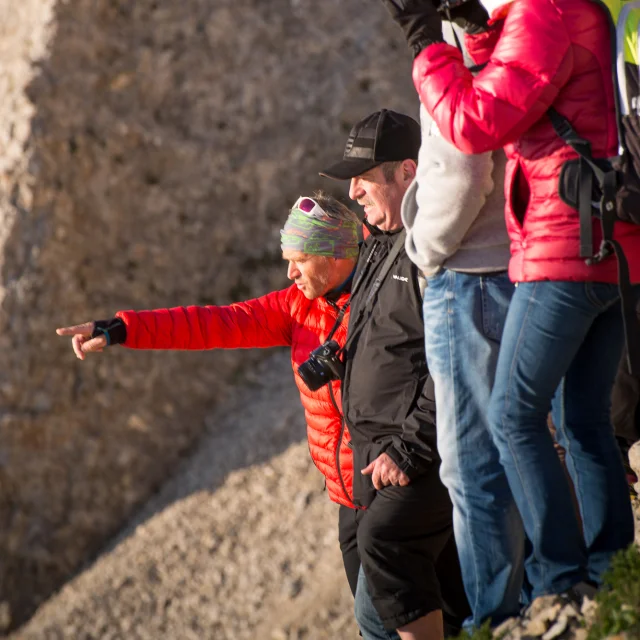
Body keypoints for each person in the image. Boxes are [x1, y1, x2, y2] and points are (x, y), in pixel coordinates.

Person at [380, 0, 640, 608]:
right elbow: (520, 79)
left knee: (511, 418)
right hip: (609, 247)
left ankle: (557, 578)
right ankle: (609, 572)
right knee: (583, 421)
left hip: (561, 249)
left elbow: (474, 124)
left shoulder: (541, 10)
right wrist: (476, 33)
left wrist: (424, 44)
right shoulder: (573, 11)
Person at [56, 193, 393, 637]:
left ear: (334, 255)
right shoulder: (296, 306)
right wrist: (121, 329)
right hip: (345, 495)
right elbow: (212, 323)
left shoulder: (383, 300)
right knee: (375, 618)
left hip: (386, 483)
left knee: (382, 619)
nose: (289, 273)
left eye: (299, 260)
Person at [320, 108, 470, 640]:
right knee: (438, 601)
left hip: (409, 457)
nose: (354, 191)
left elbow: (451, 360)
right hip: (371, 463)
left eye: (364, 177)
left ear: (408, 172)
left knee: (382, 598)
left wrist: (410, 447)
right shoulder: (380, 242)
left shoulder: (431, 248)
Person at [398, 16, 524, 626]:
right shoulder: (509, 21)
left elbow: (462, 167)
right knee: (526, 440)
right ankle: (543, 593)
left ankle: (497, 619)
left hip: (468, 274)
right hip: (517, 263)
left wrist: (421, 245)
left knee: (471, 462)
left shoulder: (450, 37)